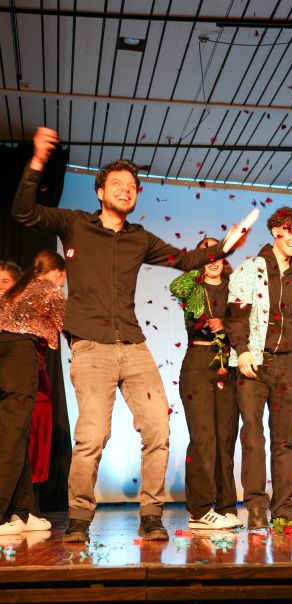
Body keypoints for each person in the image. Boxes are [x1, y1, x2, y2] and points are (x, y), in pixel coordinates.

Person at [12, 127, 245, 543]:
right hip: (90, 348)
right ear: (100, 192)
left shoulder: (140, 238)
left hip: (135, 347)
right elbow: (24, 213)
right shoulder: (74, 224)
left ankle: (151, 515)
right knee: (91, 437)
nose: (126, 189)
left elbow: (184, 260)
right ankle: (80, 518)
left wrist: (223, 248)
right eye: (117, 184)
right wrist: (37, 162)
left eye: (132, 186)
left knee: (158, 431)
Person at [224, 207, 292, 531]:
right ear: (275, 231)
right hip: (255, 363)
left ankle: (283, 508)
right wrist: (241, 350)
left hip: (288, 365)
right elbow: (235, 316)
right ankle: (256, 506)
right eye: (290, 232)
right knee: (253, 436)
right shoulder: (249, 269)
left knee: (285, 440)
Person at [170, 238, 242, 530]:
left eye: (218, 253)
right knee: (203, 437)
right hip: (198, 364)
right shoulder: (193, 287)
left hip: (228, 365)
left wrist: (227, 326)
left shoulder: (235, 288)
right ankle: (199, 510)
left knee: (226, 438)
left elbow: (248, 322)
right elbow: (176, 285)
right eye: (207, 253)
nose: (213, 259)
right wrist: (200, 261)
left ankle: (226, 507)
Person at [0, 250, 66, 535]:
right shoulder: (48, 289)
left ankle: (23, 511)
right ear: (57, 273)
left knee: (15, 436)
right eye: (63, 278)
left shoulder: (16, 293)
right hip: (18, 356)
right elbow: (70, 325)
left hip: (8, 357)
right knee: (12, 439)